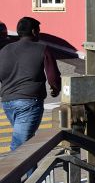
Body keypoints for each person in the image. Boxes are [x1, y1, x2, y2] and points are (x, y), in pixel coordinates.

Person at [0, 17, 61, 152]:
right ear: (34, 31)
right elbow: (53, 76)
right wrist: (55, 89)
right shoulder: (42, 49)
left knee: (26, 143)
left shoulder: (4, 50)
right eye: (38, 31)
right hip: (29, 102)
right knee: (20, 147)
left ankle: (32, 173)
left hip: (7, 102)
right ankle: (11, 173)